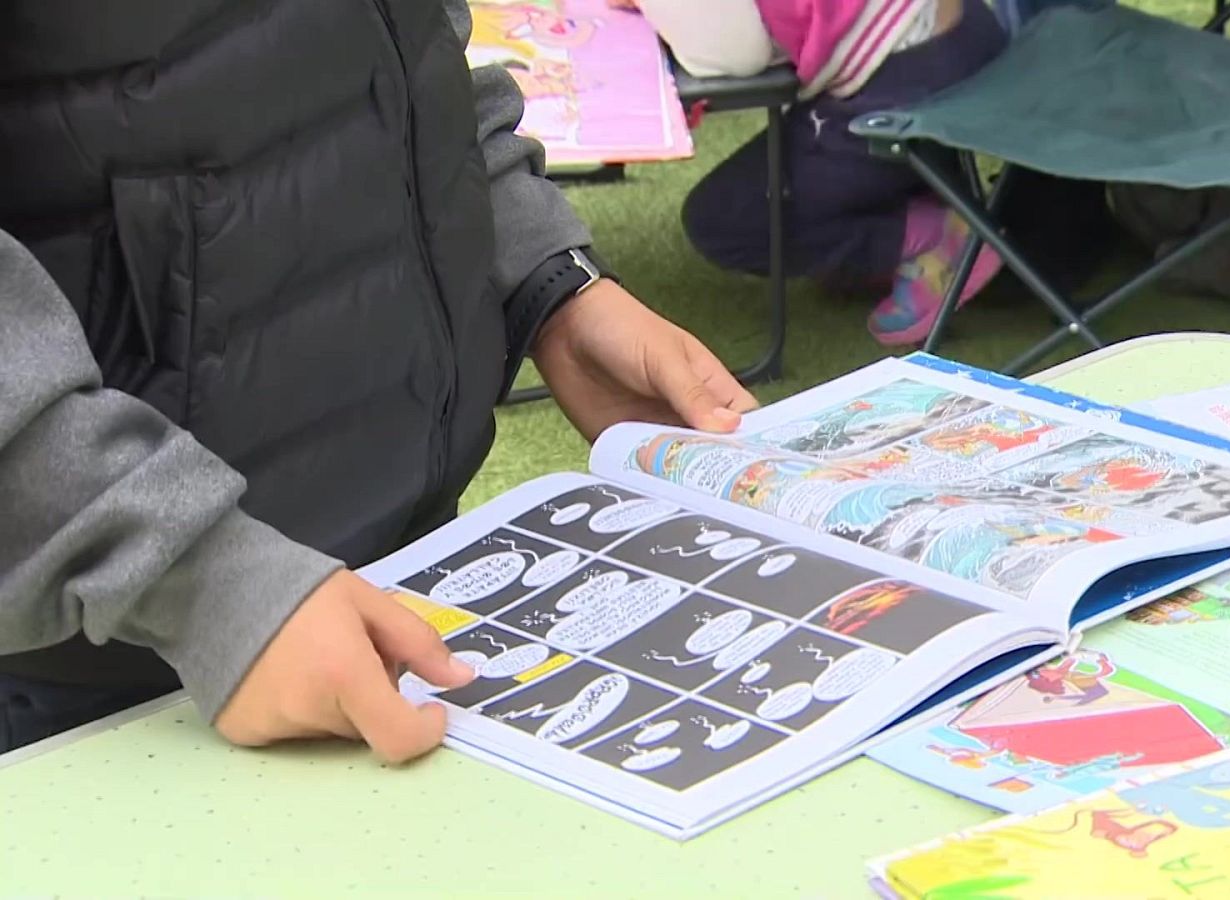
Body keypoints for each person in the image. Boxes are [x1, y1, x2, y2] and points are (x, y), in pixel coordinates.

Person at [0, 0, 756, 761]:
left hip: (405, 567)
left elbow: (407, 45)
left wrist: (544, 276)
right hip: (119, 645)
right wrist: (194, 576)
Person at [616, 0, 1010, 346]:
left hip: (907, 78)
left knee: (724, 221)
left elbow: (732, 54)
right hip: (952, 32)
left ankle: (935, 235)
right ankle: (910, 200)